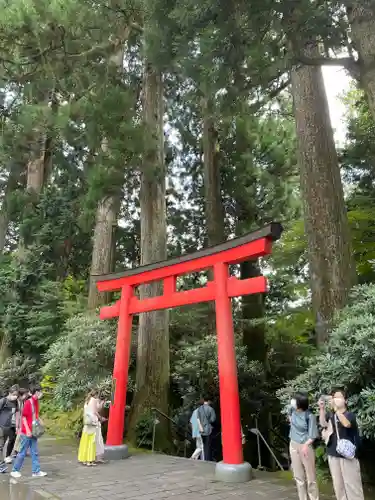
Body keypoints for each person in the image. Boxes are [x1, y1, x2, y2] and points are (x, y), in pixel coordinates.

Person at [319, 388, 364, 500]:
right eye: (334, 397)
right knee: (338, 486)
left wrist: (336, 409)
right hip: (333, 453)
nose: (336, 399)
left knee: (352, 486)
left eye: (339, 397)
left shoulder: (350, 415)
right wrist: (322, 409)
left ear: (346, 401)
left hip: (347, 456)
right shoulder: (331, 415)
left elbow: (346, 424)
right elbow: (323, 423)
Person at [10, 384, 47, 479]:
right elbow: (24, 418)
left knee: (34, 452)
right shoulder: (28, 402)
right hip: (26, 432)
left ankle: (36, 471)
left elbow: (36, 414)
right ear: (36, 392)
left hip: (33, 431)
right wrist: (27, 430)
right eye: (40, 391)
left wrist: (41, 421)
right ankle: (15, 470)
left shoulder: (36, 402)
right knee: (22, 452)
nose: (41, 393)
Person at [288, 392, 319, 500]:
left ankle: (314, 497)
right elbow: (290, 418)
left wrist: (306, 445)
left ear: (300, 403)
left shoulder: (309, 416)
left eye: (295, 400)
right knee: (298, 476)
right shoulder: (292, 410)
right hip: (293, 444)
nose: (292, 401)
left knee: (310, 476)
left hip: (305, 446)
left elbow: (313, 435)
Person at [78, 390, 105, 466]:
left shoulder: (87, 401)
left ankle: (84, 459)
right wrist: (101, 418)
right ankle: (90, 460)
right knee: (91, 442)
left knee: (85, 441)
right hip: (93, 423)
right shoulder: (94, 400)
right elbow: (95, 411)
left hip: (87, 423)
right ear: (96, 395)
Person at [0, 386, 19, 473]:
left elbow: (17, 413)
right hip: (2, 426)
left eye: (16, 395)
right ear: (10, 393)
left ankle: (5, 459)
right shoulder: (3, 401)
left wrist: (17, 425)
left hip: (10, 426)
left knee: (10, 440)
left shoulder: (15, 402)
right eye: (14, 394)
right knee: (1, 445)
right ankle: (1, 464)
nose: (15, 396)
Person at [8, 388, 30, 462]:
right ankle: (12, 453)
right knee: (13, 438)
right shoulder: (15, 402)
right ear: (20, 395)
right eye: (25, 395)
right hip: (12, 422)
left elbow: (21, 414)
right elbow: (16, 414)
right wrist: (17, 426)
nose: (26, 396)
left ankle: (17, 451)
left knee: (18, 437)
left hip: (19, 422)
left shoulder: (22, 402)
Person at [197, 396, 216, 462]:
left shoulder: (199, 409)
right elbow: (213, 420)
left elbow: (197, 419)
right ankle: (207, 459)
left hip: (200, 429)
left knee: (201, 445)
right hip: (208, 429)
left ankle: (201, 458)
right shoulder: (211, 409)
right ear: (208, 401)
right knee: (207, 446)